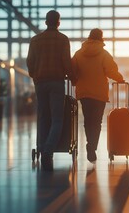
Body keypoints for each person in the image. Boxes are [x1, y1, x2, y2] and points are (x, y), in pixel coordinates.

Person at [27, 10, 75, 171]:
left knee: (42, 117)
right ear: (58, 22)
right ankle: (48, 149)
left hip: (40, 82)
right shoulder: (62, 39)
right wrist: (72, 77)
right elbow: (66, 62)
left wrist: (34, 75)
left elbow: (30, 62)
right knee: (57, 118)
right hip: (56, 82)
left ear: (46, 22)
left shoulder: (35, 40)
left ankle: (41, 147)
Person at [72, 28, 124, 163]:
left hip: (84, 92)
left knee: (88, 120)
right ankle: (92, 147)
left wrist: (73, 80)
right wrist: (120, 78)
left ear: (89, 37)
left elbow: (72, 69)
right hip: (99, 93)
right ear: (101, 38)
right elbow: (111, 70)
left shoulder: (78, 53)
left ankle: (90, 144)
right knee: (97, 121)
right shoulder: (104, 54)